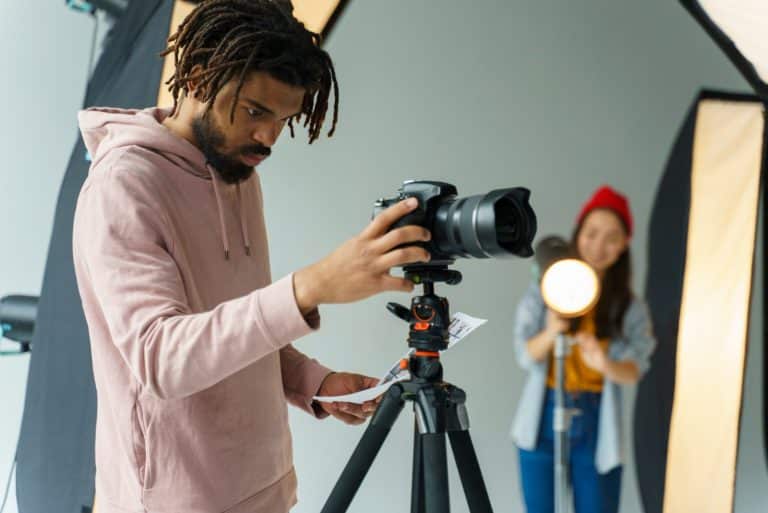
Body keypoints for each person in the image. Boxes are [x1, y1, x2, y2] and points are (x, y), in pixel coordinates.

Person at [72, 2, 431, 512]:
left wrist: (314, 383)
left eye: (283, 119)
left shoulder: (237, 174)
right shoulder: (124, 188)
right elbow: (160, 359)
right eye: (255, 111)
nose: (268, 139)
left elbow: (228, 323)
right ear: (197, 78)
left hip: (266, 490)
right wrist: (308, 287)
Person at [510, 185, 656, 513]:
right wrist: (551, 331)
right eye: (591, 233)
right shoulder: (546, 288)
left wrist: (605, 364)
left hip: (595, 419)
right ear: (578, 234)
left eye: (612, 238)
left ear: (624, 246)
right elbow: (524, 353)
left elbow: (637, 367)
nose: (599, 246)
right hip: (542, 415)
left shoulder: (629, 307)